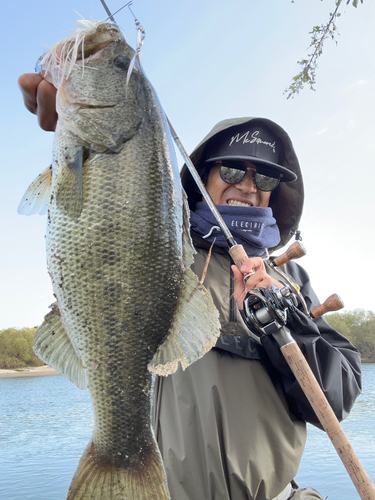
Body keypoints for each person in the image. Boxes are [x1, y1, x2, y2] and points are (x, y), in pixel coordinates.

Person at [18, 74, 362, 500]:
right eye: (234, 169)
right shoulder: (164, 256)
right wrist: (81, 132)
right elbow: (101, 216)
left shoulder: (289, 279)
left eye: (267, 179)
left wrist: (283, 319)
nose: (250, 187)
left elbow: (337, 398)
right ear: (202, 176)